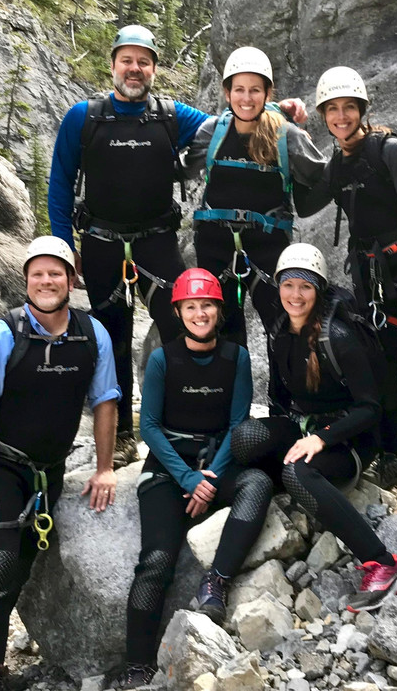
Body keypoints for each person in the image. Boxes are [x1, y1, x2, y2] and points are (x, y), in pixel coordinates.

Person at [47, 26, 306, 468]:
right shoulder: (83, 117)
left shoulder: (171, 116)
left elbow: (230, 121)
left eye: (143, 61)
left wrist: (277, 107)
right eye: (127, 60)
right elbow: (59, 182)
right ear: (112, 65)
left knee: (185, 333)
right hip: (101, 244)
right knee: (112, 341)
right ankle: (123, 436)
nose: (135, 69)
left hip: (157, 244)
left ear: (153, 69)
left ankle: (188, 427)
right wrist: (61, 247)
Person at [0, 236, 120, 691]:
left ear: (71, 280)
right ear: (27, 280)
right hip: (2, 468)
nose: (47, 281)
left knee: (20, 569)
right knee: (0, 568)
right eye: (38, 274)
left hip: (50, 471)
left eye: (56, 273)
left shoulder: (91, 334)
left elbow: (105, 401)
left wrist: (105, 467)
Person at [231, 243, 397, 613]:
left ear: (319, 290)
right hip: (306, 428)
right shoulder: (280, 331)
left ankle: (382, 562)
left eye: (305, 287)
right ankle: (301, 481)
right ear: (278, 287)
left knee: (297, 472)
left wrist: (322, 438)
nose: (295, 295)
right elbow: (280, 398)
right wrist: (285, 435)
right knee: (244, 440)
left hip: (351, 440)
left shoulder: (340, 338)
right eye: (288, 285)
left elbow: (370, 409)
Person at [114, 268, 272, 689]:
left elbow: (239, 422)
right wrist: (188, 479)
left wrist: (212, 478)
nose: (199, 313)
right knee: (156, 562)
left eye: (207, 305)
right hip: (170, 468)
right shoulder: (163, 359)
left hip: (216, 461)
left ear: (218, 311)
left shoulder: (237, 357)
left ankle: (215, 582)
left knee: (257, 484)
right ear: (179, 311)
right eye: (191, 306)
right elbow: (148, 427)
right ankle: (137, 665)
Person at [306, 67, 397, 490]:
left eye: (348, 107)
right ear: (324, 115)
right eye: (332, 109)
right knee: (385, 368)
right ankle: (393, 453)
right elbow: (302, 205)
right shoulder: (336, 165)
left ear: (361, 110)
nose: (341, 116)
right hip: (371, 284)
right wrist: (286, 127)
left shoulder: (388, 151)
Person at [185, 46, 329, 345]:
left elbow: (324, 177)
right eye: (239, 89)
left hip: (268, 248)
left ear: (267, 93)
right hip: (215, 247)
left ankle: (283, 393)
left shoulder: (287, 136)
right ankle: (231, 392)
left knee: (281, 330)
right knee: (222, 334)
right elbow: (179, 169)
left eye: (254, 90)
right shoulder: (213, 131)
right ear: (227, 93)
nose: (246, 98)